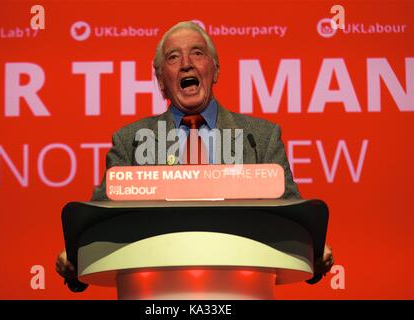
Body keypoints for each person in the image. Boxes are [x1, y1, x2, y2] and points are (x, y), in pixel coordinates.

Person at [56, 21, 334, 287]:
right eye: (173, 57)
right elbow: (100, 225)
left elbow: (292, 219)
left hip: (242, 285)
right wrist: (77, 256)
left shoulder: (260, 137)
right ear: (161, 81)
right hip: (154, 289)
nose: (186, 63)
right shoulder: (130, 141)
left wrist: (312, 250)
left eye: (197, 53)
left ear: (215, 70)